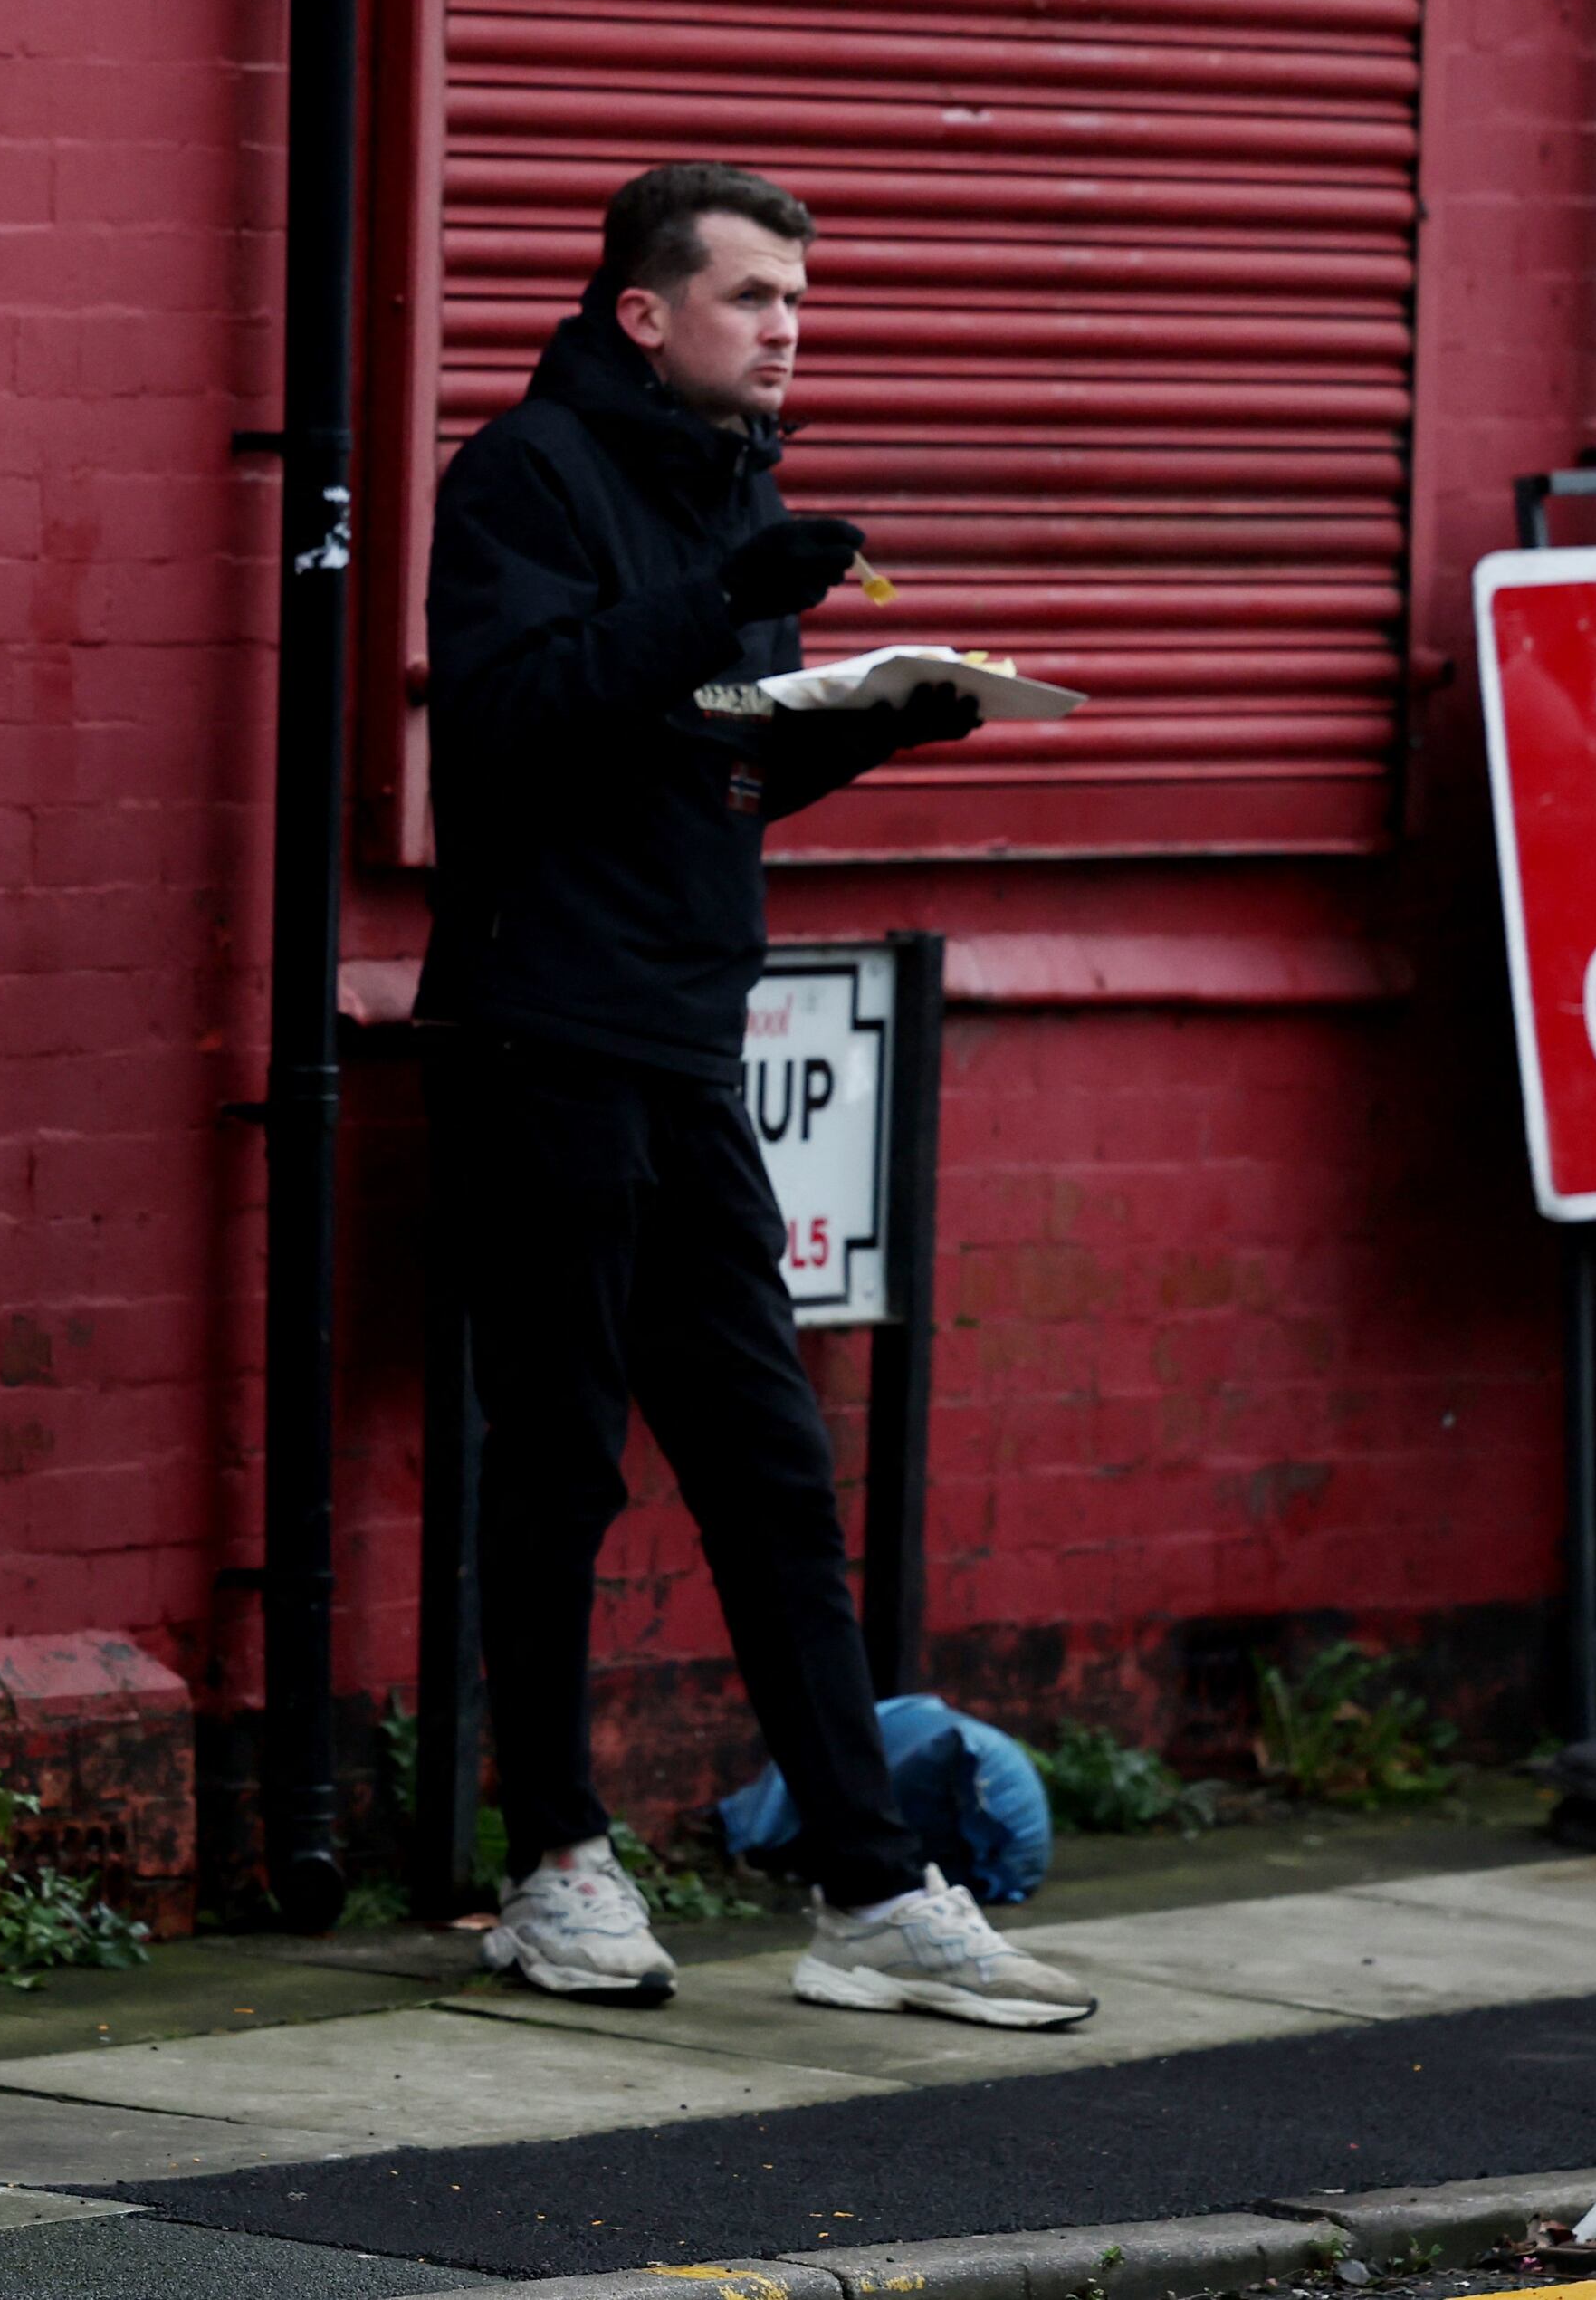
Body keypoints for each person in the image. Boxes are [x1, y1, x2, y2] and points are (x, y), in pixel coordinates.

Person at [419, 163, 1094, 2030]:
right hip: (536, 1036)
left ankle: (873, 1885)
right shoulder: (524, 477)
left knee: (775, 1478)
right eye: (749, 295)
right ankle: (553, 1863)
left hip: (683, 1043)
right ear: (644, 312)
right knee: (557, 1468)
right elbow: (504, 730)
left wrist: (874, 718)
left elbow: (703, 778)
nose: (785, 325)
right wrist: (725, 592)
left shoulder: (739, 494)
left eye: (798, 298)